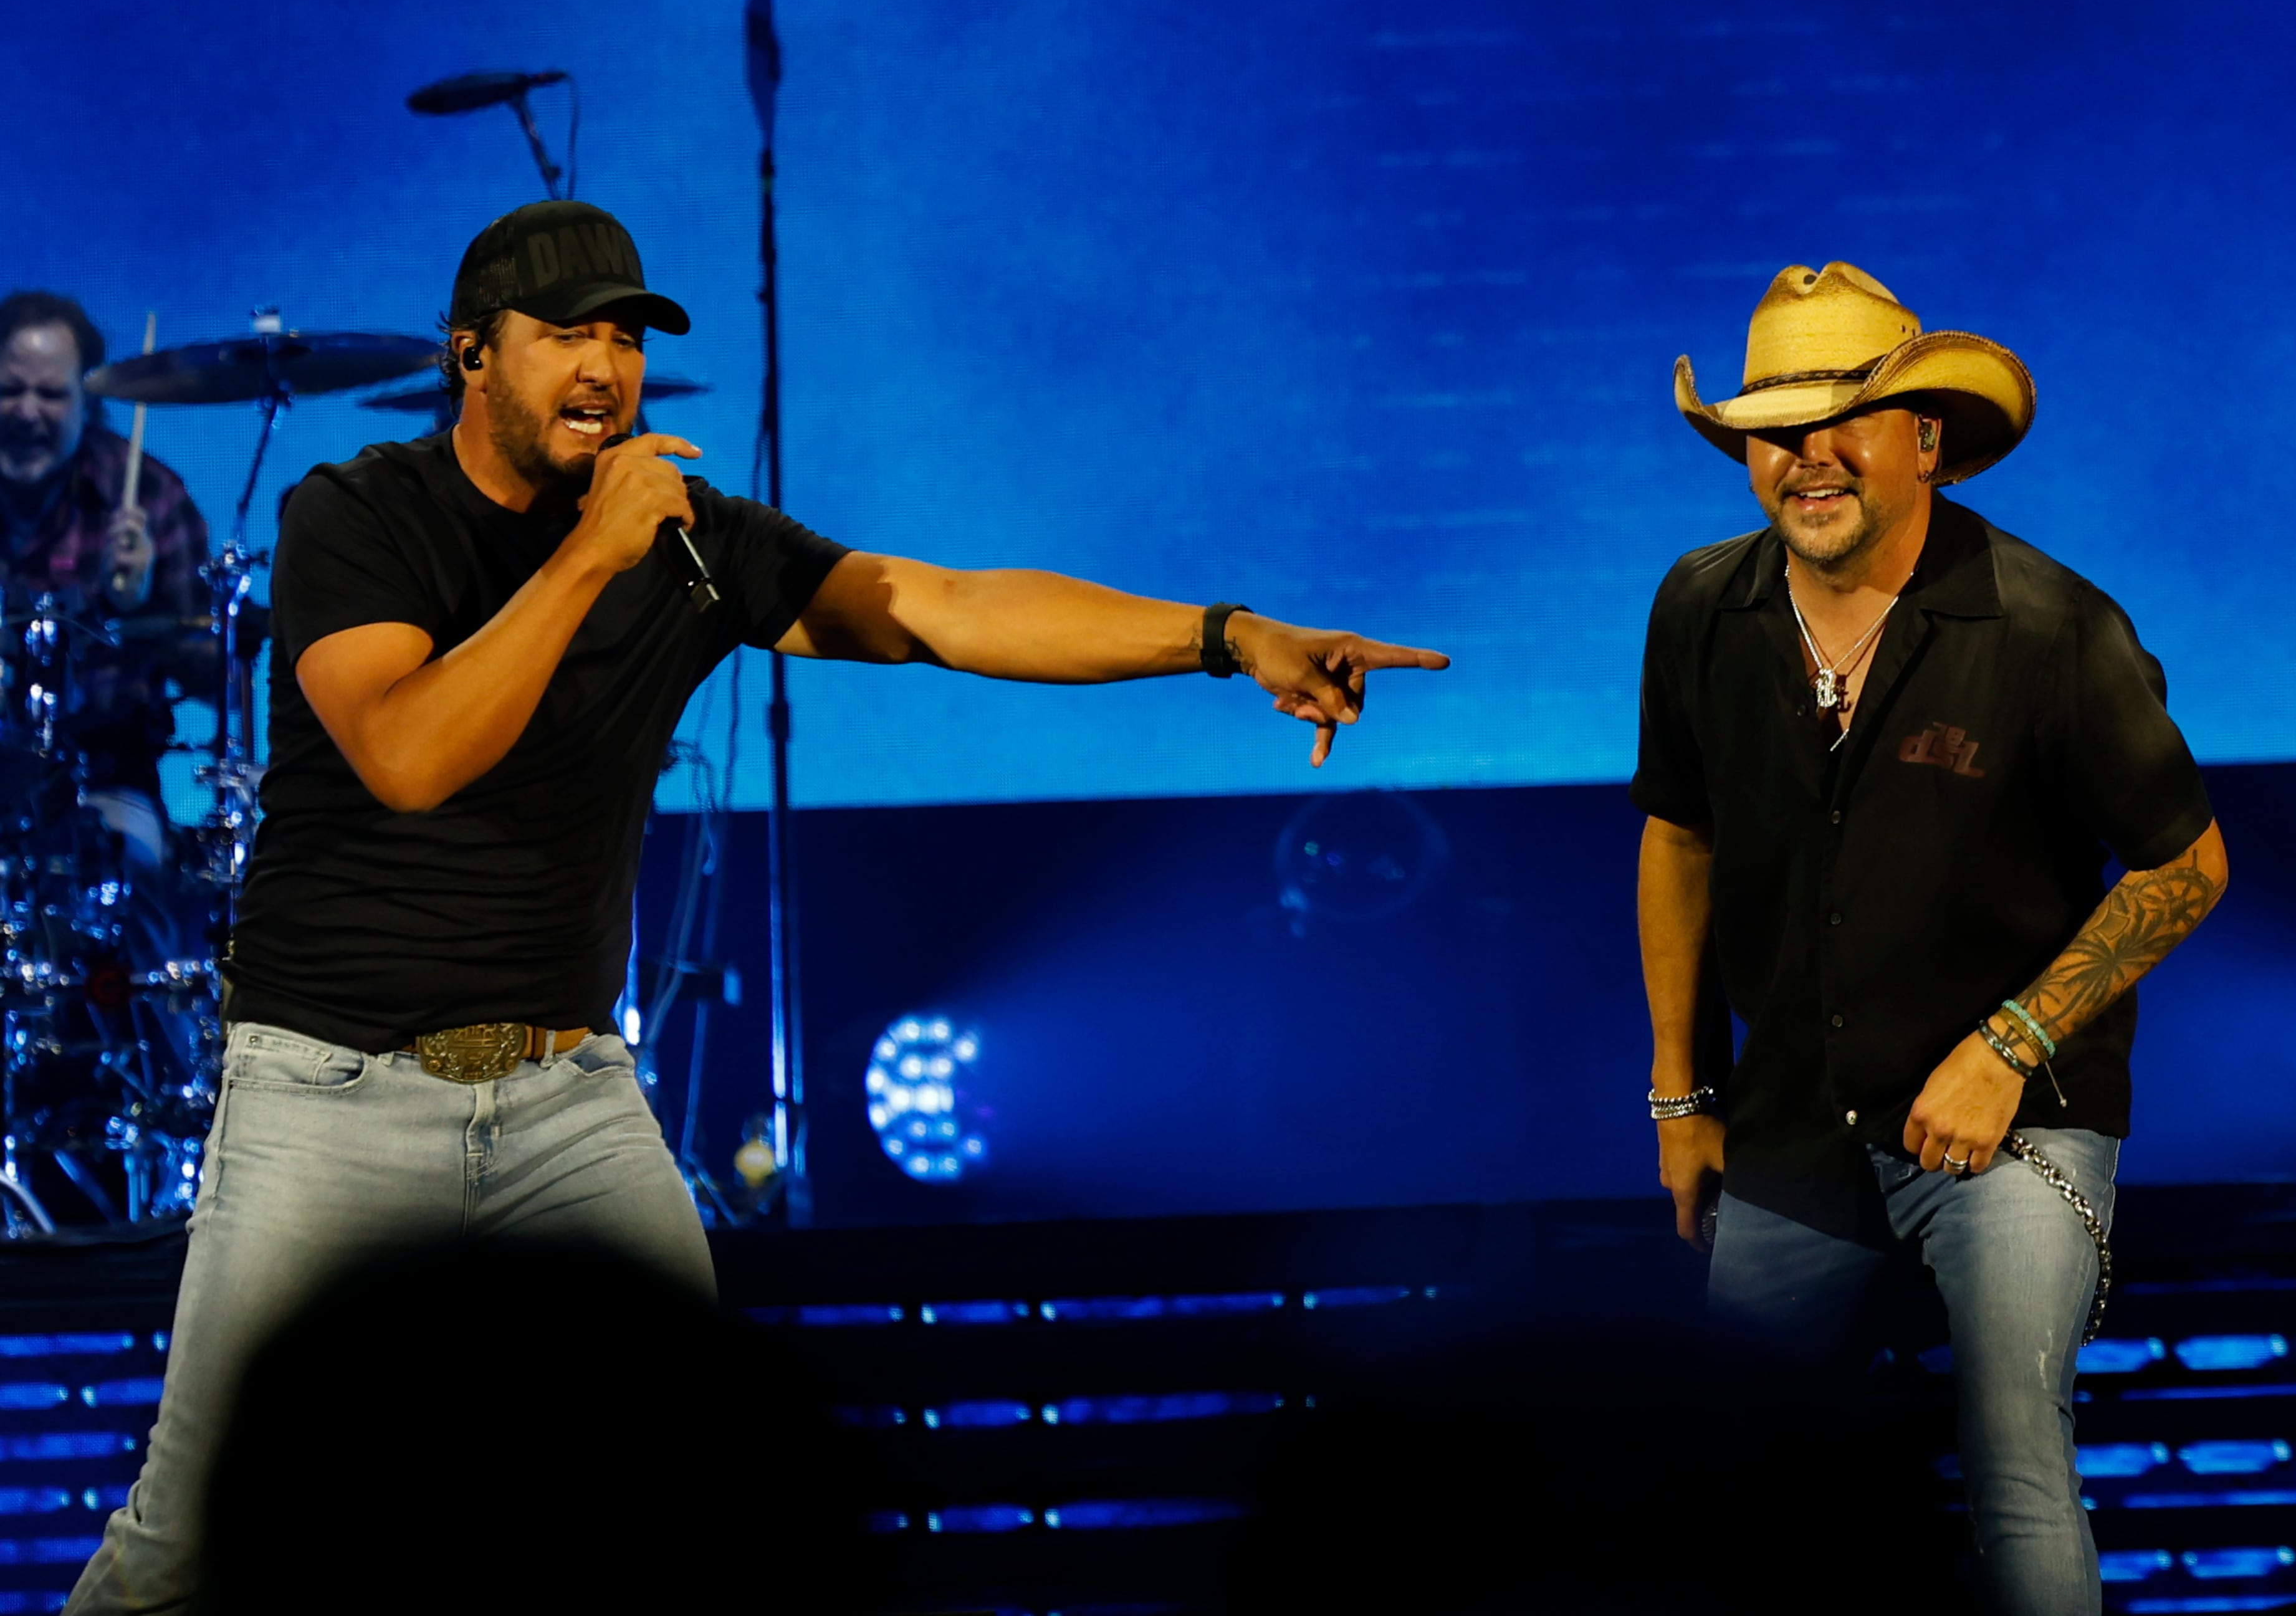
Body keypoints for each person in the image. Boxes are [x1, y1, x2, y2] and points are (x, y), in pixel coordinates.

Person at [67, 198, 1450, 1614]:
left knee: (697, 1502)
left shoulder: (690, 541)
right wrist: (590, 557)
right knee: (192, 1538)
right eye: (564, 338)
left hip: (563, 1094)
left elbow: (933, 604)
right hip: (335, 1085)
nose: (603, 369)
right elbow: (409, 752)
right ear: (471, 356)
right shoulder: (359, 513)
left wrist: (1224, 638)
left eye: (623, 337)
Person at [1632, 262, 2227, 1615]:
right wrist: (1681, 1094)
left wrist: (2010, 1042)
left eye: (1849, 416)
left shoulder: (2052, 625)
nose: (1810, 456)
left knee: (2014, 1455)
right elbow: (1679, 840)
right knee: (1739, 1490)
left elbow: (2188, 861)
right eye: (1776, 428)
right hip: (1790, 1121)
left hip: (2014, 1122)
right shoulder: (1699, 608)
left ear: (1927, 437)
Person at [0, 290, 213, 871]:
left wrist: (138, 613)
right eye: (9, 391)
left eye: (50, 394)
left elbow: (217, 673)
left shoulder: (148, 496)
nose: (26, 412)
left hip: (107, 782)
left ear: (88, 400)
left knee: (119, 867)